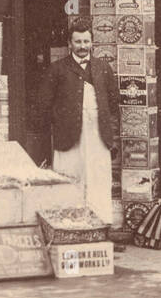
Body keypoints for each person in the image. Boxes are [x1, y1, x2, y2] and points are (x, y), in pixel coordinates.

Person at [40, 18, 118, 224]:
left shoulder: (103, 68)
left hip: (97, 132)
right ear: (69, 44)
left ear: (92, 43)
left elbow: (112, 101)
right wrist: (59, 123)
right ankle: (70, 225)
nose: (82, 47)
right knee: (70, 176)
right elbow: (44, 104)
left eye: (86, 41)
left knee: (98, 178)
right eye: (78, 42)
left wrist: (109, 130)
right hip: (68, 134)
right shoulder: (57, 69)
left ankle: (100, 226)